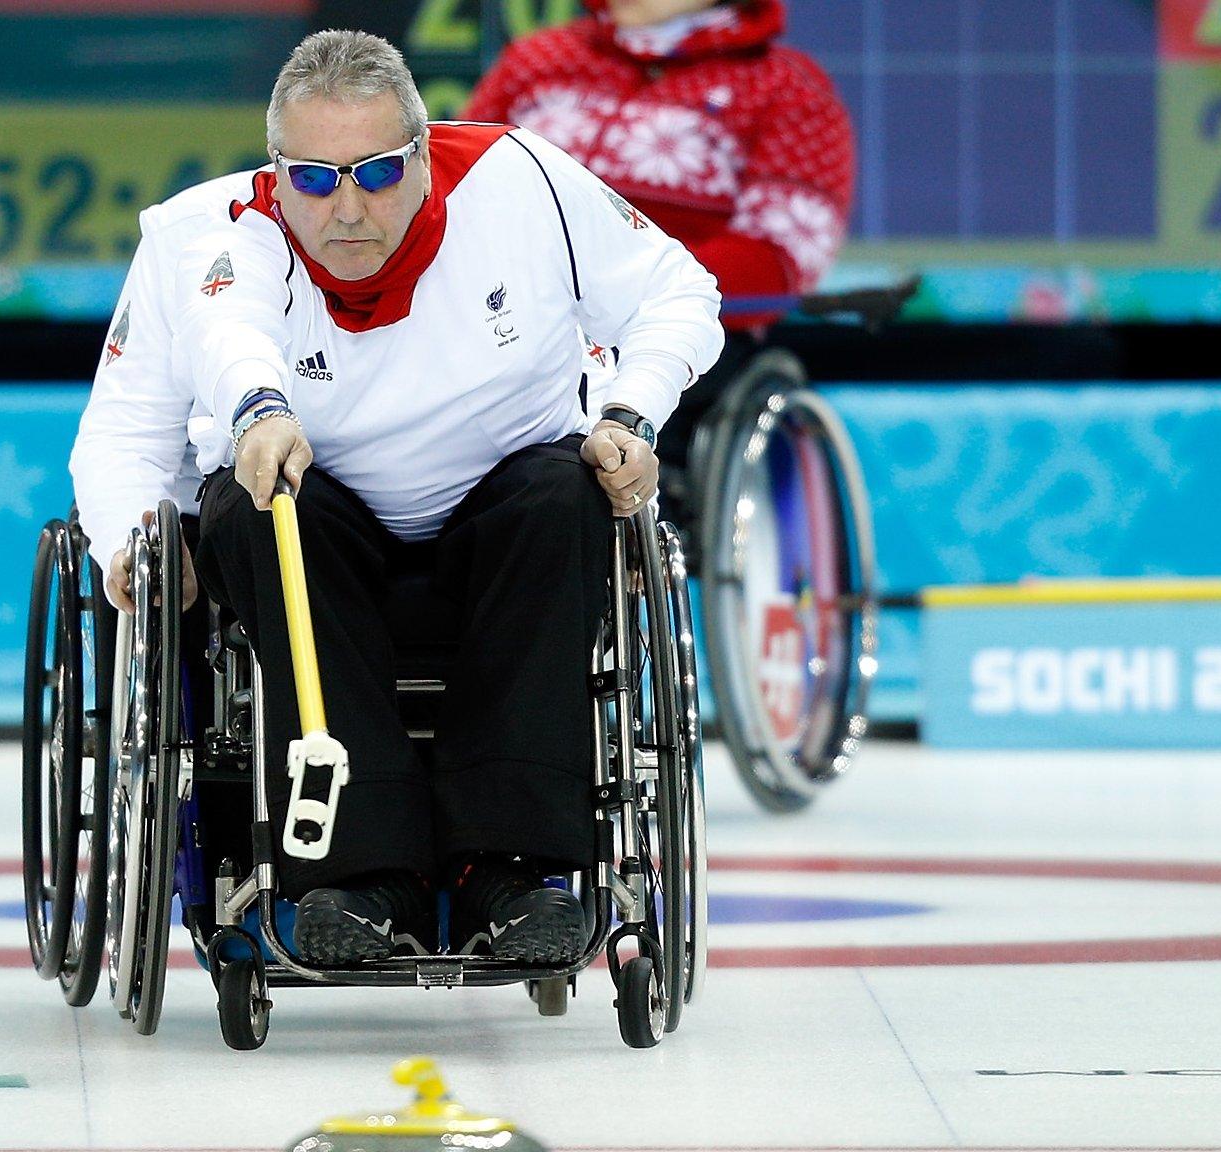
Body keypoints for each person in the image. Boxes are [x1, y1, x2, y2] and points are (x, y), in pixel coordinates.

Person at [71, 29, 723, 966]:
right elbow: (140, 423)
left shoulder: (522, 181)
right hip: (310, 533)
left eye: (376, 173)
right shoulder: (202, 238)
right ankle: (358, 873)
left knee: (567, 493)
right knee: (250, 506)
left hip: (503, 513)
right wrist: (133, 543)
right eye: (316, 177)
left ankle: (508, 867)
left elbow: (680, 294)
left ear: (422, 158)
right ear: (275, 174)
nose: (346, 206)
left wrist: (631, 414)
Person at [466, 0, 853, 471]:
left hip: (670, 331)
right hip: (505, 317)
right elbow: (456, 188)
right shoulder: (534, 63)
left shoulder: (786, 87)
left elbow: (776, 260)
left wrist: (613, 299)